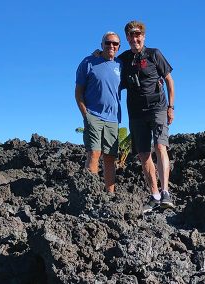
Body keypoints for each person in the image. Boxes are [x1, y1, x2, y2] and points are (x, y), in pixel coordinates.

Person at [118, 20, 175, 213]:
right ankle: (155, 195)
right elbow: (109, 63)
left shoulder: (154, 54)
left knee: (160, 145)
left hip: (158, 108)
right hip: (135, 112)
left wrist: (171, 107)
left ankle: (165, 192)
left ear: (143, 36)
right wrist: (98, 54)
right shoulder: (124, 58)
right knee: (143, 154)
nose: (135, 38)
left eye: (138, 35)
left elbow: (169, 80)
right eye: (131, 35)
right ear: (127, 38)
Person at [75, 31, 122, 193]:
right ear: (101, 44)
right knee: (94, 153)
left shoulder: (120, 65)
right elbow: (78, 91)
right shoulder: (88, 62)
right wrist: (85, 114)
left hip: (113, 118)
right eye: (108, 43)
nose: (111, 46)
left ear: (118, 47)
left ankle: (109, 195)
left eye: (115, 44)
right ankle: (91, 194)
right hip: (93, 115)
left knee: (110, 157)